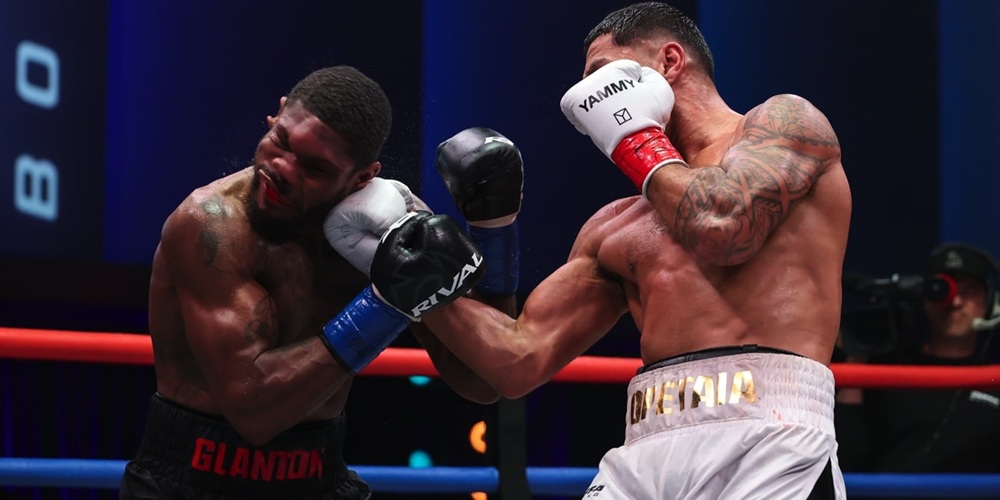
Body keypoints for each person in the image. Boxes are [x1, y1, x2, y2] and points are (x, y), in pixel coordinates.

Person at [423, 2, 851, 499]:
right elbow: (519, 359)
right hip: (644, 445)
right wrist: (407, 261)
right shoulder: (615, 226)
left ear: (670, 61)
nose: (589, 102)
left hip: (769, 437)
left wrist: (634, 137)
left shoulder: (787, 123)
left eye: (603, 75)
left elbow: (722, 226)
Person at [118, 65, 508, 500]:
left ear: (362, 178)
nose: (282, 168)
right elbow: (254, 413)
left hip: (319, 476)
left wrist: (494, 228)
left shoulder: (384, 225)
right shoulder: (211, 227)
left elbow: (485, 379)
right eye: (281, 141)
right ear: (278, 113)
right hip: (190, 481)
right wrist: (386, 305)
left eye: (315, 167)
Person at [835, 243, 1000, 480]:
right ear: (925, 299)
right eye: (942, 290)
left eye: (970, 291)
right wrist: (857, 357)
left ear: (989, 303)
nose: (955, 302)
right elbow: (845, 457)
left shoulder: (994, 379)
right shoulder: (887, 372)